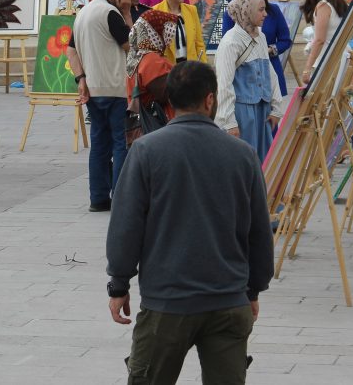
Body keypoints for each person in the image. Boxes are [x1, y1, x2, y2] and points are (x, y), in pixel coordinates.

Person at [106, 61, 274, 385]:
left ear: (171, 99)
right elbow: (259, 232)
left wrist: (119, 284)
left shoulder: (145, 151)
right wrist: (253, 289)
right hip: (228, 299)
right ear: (210, 100)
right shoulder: (243, 155)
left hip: (167, 303)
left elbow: (126, 225)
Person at [68, 0, 134, 212]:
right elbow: (132, 46)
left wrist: (81, 79)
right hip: (114, 87)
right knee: (119, 143)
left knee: (99, 144)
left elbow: (70, 51)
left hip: (93, 88)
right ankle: (120, 197)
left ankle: (98, 198)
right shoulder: (110, 13)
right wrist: (127, 13)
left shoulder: (82, 13)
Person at [215, 0, 285, 162]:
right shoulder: (231, 42)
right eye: (261, 10)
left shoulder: (260, 36)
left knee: (263, 162)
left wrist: (276, 107)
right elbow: (224, 84)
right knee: (244, 162)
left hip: (262, 112)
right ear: (247, 11)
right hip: (242, 113)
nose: (265, 14)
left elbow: (270, 73)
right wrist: (229, 122)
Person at [222, 0, 292, 96]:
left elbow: (285, 40)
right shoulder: (232, 13)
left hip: (270, 67)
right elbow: (226, 43)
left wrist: (269, 49)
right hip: (243, 71)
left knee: (272, 112)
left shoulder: (273, 10)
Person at [126, 9, 181, 122]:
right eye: (167, 29)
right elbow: (167, 93)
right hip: (158, 125)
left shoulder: (136, 55)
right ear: (156, 31)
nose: (169, 37)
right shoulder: (151, 60)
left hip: (145, 125)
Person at [300, 0, 348, 86]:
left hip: (327, 61)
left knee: (318, 102)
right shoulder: (340, 3)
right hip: (342, 56)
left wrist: (307, 68)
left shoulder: (323, 5)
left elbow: (320, 40)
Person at [152, 0, 206, 64]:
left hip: (190, 67)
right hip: (166, 69)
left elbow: (199, 43)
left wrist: (203, 67)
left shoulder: (192, 10)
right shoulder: (155, 12)